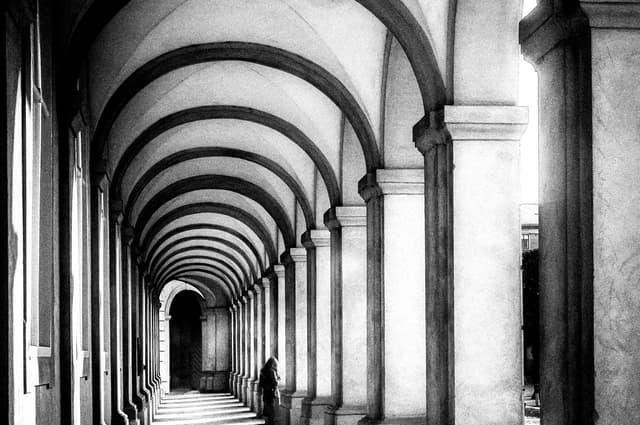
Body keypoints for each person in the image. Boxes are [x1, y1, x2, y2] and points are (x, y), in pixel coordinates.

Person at [259, 357, 280, 425]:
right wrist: (278, 378)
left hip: (266, 392)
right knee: (272, 410)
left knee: (267, 408)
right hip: (271, 392)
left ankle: (267, 422)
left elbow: (261, 383)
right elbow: (275, 382)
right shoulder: (272, 371)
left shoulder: (263, 371)